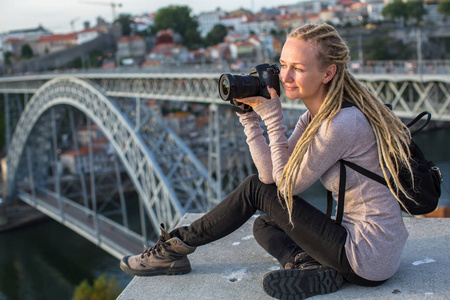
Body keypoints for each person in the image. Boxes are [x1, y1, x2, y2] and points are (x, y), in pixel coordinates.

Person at [120, 23, 413, 300]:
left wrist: (272, 117)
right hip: (365, 245)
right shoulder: (316, 117)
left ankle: (173, 247)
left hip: (367, 256)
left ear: (328, 73)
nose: (285, 77)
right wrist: (249, 119)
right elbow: (269, 177)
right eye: (282, 65)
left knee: (254, 191)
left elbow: (285, 188)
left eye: (297, 69)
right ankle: (307, 266)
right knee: (264, 225)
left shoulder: (340, 124)